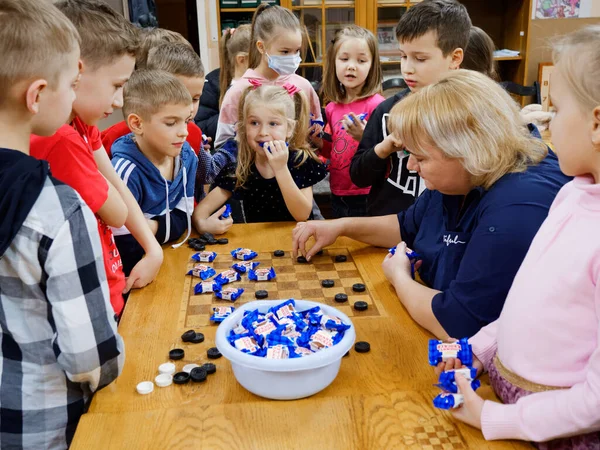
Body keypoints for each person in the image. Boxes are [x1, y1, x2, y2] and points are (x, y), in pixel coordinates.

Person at [293, 70, 570, 339]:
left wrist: (401, 278)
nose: (412, 167)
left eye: (421, 158)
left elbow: (457, 324)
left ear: (467, 149)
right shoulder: (467, 172)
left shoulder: (519, 207)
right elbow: (406, 226)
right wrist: (340, 226)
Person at [435, 26, 600, 449]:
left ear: (597, 123)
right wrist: (476, 348)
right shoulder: (571, 193)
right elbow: (529, 299)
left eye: (556, 108)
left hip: (554, 434)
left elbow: (594, 402)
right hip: (502, 404)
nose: (543, 118)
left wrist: (493, 418)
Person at [0, 1, 124, 448]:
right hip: (45, 423)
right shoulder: (57, 206)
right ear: (36, 95)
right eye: (72, 84)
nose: (74, 97)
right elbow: (89, 356)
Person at [30, 0, 163, 314]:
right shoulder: (60, 137)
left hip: (104, 278)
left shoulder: (81, 124)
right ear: (77, 70)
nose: (119, 102)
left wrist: (152, 249)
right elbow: (115, 213)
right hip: (85, 294)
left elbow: (114, 181)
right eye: (117, 86)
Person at [350, 0, 471, 216]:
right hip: (388, 229)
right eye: (403, 56)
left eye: (420, 58)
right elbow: (358, 175)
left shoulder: (470, 112)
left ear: (454, 58)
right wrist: (384, 148)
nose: (407, 68)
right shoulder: (387, 111)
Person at [194, 84, 327, 227]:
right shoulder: (240, 164)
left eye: (273, 123)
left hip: (298, 240)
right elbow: (200, 213)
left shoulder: (301, 160)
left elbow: (301, 215)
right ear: (245, 126)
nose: (263, 132)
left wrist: (281, 169)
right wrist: (203, 225)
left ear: (289, 128)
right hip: (258, 243)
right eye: (254, 123)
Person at [110, 70, 201, 274]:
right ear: (137, 124)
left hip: (172, 256)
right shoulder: (124, 171)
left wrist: (146, 226)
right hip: (136, 270)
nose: (184, 131)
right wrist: (165, 227)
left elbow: (184, 214)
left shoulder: (187, 155)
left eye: (186, 120)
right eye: (171, 123)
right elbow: (123, 240)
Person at [214, 4, 323, 148]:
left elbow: (318, 138)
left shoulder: (303, 86)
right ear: (261, 47)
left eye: (296, 51)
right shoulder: (239, 91)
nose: (292, 58)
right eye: (285, 52)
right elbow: (223, 144)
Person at [309, 25, 385, 218]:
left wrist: (364, 137)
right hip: (338, 192)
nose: (351, 66)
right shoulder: (333, 107)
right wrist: (319, 143)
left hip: (367, 193)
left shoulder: (377, 105)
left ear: (372, 65)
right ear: (334, 62)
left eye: (361, 60)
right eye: (344, 59)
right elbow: (335, 150)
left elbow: (386, 153)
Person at [102, 41, 205, 156]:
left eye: (195, 99)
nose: (190, 107)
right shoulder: (114, 136)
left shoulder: (194, 134)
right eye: (177, 96)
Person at [195, 25, 252, 145]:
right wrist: (232, 114)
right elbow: (202, 126)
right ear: (242, 60)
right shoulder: (212, 81)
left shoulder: (263, 80)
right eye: (259, 58)